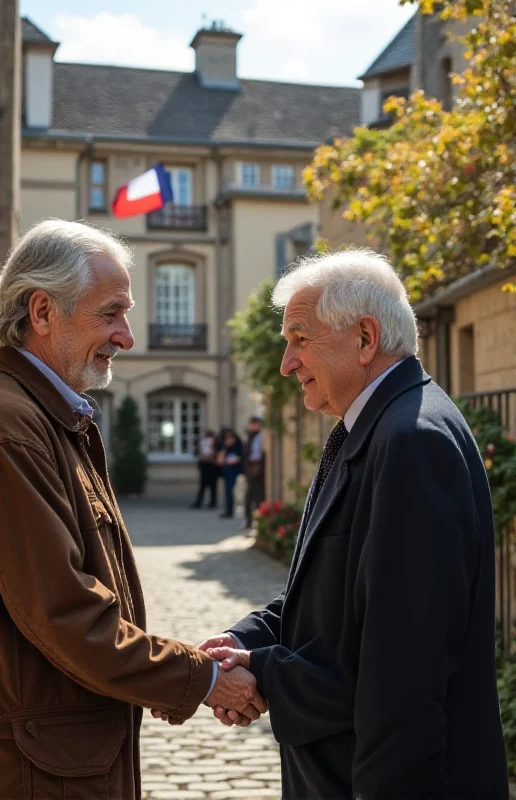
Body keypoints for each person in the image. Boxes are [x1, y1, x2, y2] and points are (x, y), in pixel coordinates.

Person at [0, 220, 265, 800]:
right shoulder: (8, 425)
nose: (127, 336)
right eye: (110, 313)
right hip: (40, 772)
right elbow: (66, 615)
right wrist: (204, 678)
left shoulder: (42, 415)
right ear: (42, 312)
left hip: (64, 759)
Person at [199, 249, 509, 799]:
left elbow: (402, 673)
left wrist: (263, 675)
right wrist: (245, 641)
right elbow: (335, 598)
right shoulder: (374, 426)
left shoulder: (413, 441)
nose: (286, 363)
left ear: (365, 339)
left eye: (300, 338)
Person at [243, 416, 265, 531]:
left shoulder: (260, 436)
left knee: (258, 498)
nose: (254, 426)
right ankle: (249, 521)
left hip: (258, 471)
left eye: (256, 424)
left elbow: (260, 454)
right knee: (249, 498)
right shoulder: (250, 436)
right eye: (252, 424)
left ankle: (257, 523)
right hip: (250, 470)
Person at [190, 429, 218, 509]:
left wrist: (212, 456)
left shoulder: (214, 441)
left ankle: (212, 502)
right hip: (204, 464)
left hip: (212, 465)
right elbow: (197, 452)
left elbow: (216, 451)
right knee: (203, 485)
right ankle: (200, 502)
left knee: (212, 485)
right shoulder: (201, 441)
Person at [218, 428, 243, 519]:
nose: (228, 440)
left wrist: (229, 461)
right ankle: (229, 510)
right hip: (227, 472)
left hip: (235, 472)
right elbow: (220, 460)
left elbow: (238, 458)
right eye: (227, 439)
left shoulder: (237, 448)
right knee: (228, 492)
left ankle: (235, 509)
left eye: (230, 438)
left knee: (235, 492)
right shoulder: (225, 448)